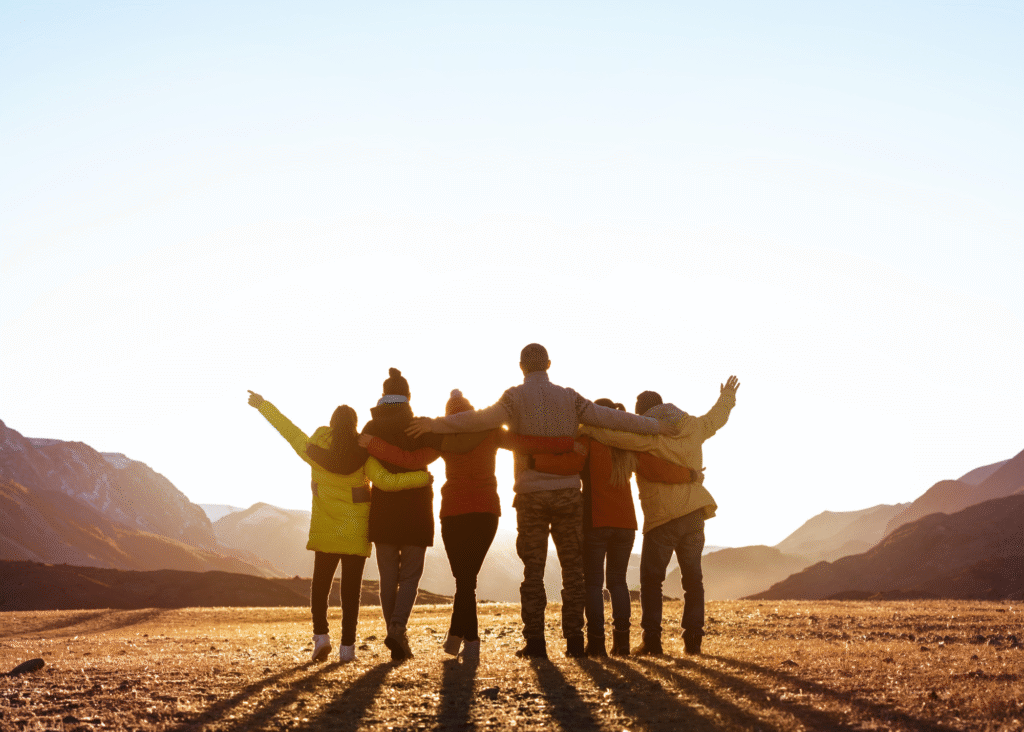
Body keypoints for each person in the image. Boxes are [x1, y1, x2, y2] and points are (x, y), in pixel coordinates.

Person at [407, 343, 677, 659]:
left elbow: (478, 420)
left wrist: (435, 424)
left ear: (521, 367)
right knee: (573, 572)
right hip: (567, 494)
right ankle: (575, 643)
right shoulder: (570, 398)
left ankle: (536, 644)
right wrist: (658, 426)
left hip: (530, 495)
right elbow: (613, 419)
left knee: (532, 573)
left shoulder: (512, 398)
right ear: (548, 364)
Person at [358, 389, 577, 662]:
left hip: (454, 513)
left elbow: (409, 460)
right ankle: (461, 640)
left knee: (464, 581)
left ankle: (466, 641)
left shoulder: (444, 437)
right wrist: (564, 443)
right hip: (486, 512)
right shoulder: (491, 430)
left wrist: (373, 444)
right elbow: (525, 443)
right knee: (466, 581)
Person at [246, 390, 431, 664]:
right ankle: (348, 649)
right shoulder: (364, 457)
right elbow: (386, 482)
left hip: (325, 532)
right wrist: (421, 478)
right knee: (350, 594)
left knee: (320, 588)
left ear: (331, 425)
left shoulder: (313, 450)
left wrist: (262, 405)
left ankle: (321, 638)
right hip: (355, 535)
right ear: (355, 426)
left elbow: (288, 429)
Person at [578, 376, 739, 656]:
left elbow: (616, 436)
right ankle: (693, 641)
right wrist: (727, 397)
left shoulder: (646, 435)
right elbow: (716, 418)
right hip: (693, 513)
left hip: (662, 517)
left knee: (652, 581)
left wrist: (586, 428)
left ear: (641, 414)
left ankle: (652, 641)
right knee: (693, 579)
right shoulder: (693, 427)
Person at [534, 399, 698, 657]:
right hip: (626, 525)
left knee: (593, 584)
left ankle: (597, 642)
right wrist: (689, 475)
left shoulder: (588, 442)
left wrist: (535, 461)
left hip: (596, 521)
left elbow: (567, 465)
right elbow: (658, 470)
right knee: (618, 583)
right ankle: (621, 643)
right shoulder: (627, 446)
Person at [307, 368, 441, 663]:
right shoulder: (420, 427)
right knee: (410, 577)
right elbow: (431, 453)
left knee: (388, 576)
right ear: (407, 397)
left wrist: (320, 479)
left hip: (383, 512)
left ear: (383, 397)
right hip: (417, 509)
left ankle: (391, 631)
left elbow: (351, 462)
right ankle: (397, 628)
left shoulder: (369, 428)